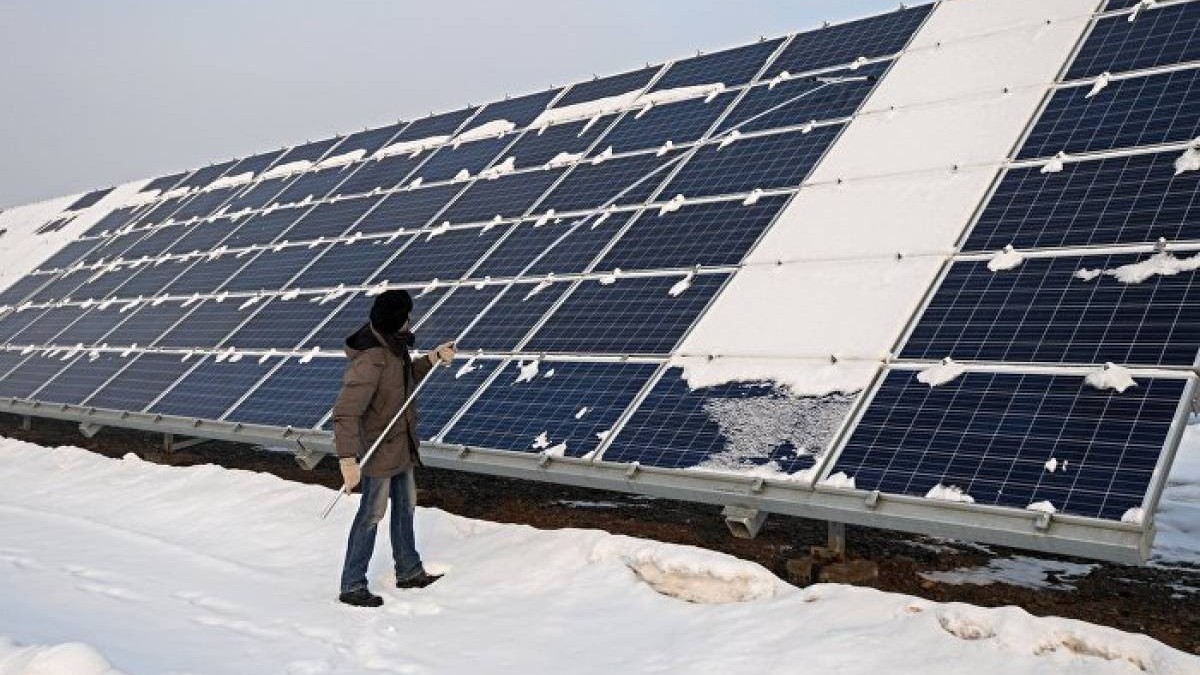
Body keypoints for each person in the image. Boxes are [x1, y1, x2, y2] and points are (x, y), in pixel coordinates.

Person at [333, 289, 456, 608]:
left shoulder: (394, 347)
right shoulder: (371, 359)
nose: (410, 320)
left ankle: (409, 570)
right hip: (379, 450)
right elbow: (346, 412)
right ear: (396, 319)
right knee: (371, 515)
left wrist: (432, 358)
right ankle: (352, 584)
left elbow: (403, 380)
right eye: (406, 315)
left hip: (401, 444)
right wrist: (347, 459)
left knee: (406, 508)